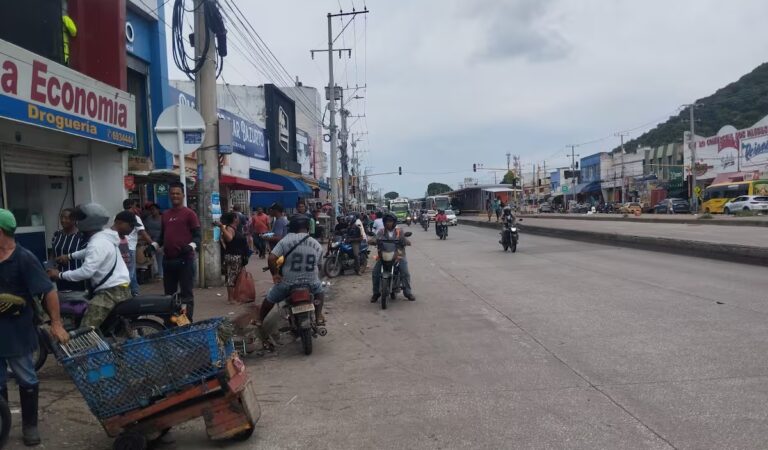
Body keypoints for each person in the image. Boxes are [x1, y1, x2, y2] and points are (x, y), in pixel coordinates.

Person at [0, 209, 69, 447]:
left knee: (25, 376)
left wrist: (56, 323)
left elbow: (48, 290)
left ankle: (30, 425)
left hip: (17, 330)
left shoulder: (24, 258)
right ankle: (2, 425)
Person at [49, 204, 131, 330]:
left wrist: (59, 275)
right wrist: (70, 256)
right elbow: (88, 251)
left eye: (80, 218)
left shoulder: (97, 243)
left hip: (110, 292)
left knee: (86, 329)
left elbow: (86, 272)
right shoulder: (103, 237)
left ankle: (86, 349)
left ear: (88, 221)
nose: (77, 222)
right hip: (119, 287)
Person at [256, 214, 326, 327]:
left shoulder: (285, 240)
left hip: (288, 283)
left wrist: (275, 274)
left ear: (292, 227)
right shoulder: (317, 244)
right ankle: (318, 317)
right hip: (311, 283)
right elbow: (319, 266)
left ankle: (259, 320)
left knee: (270, 297)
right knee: (320, 292)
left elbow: (271, 258)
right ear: (308, 227)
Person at [151, 182, 201, 321]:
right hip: (168, 261)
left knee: (186, 295)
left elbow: (198, 236)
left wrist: (190, 246)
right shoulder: (165, 214)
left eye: (177, 193)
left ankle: (186, 323)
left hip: (185, 260)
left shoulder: (190, 214)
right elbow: (162, 237)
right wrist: (153, 246)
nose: (175, 196)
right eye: (172, 193)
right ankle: (172, 322)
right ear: (169, 195)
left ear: (183, 195)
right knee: (169, 296)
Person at [370, 213, 415, 302]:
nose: (388, 223)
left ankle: (408, 292)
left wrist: (406, 242)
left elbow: (403, 239)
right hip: (383, 255)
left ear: (394, 222)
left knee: (405, 272)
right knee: (375, 273)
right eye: (386, 221)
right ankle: (376, 293)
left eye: (390, 221)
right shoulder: (381, 231)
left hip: (398, 255)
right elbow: (375, 238)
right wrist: (372, 241)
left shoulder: (399, 231)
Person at [122, 199, 155, 296]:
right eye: (136, 206)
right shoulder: (135, 217)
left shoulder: (118, 216)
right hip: (130, 248)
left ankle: (133, 290)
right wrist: (153, 244)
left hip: (120, 247)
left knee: (126, 270)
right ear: (132, 206)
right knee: (131, 271)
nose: (137, 208)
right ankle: (133, 292)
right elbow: (142, 232)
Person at [50, 208, 87, 291]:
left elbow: (86, 256)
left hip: (76, 278)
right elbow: (52, 254)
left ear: (74, 219)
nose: (63, 220)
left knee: (76, 302)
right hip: (59, 277)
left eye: (67, 218)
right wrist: (50, 268)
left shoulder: (81, 236)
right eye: (61, 217)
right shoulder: (57, 235)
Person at [219, 212, 249, 304]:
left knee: (234, 277)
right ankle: (231, 299)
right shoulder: (229, 228)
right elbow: (229, 239)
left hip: (236, 255)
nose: (239, 219)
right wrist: (222, 228)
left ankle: (234, 297)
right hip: (233, 256)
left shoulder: (235, 229)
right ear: (234, 219)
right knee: (232, 277)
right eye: (237, 217)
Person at [142, 203, 163, 280]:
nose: (152, 211)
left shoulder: (162, 218)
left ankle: (161, 273)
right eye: (151, 210)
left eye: (154, 209)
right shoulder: (148, 219)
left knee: (159, 256)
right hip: (150, 240)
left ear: (158, 210)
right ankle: (153, 272)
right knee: (148, 256)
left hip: (159, 241)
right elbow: (144, 229)